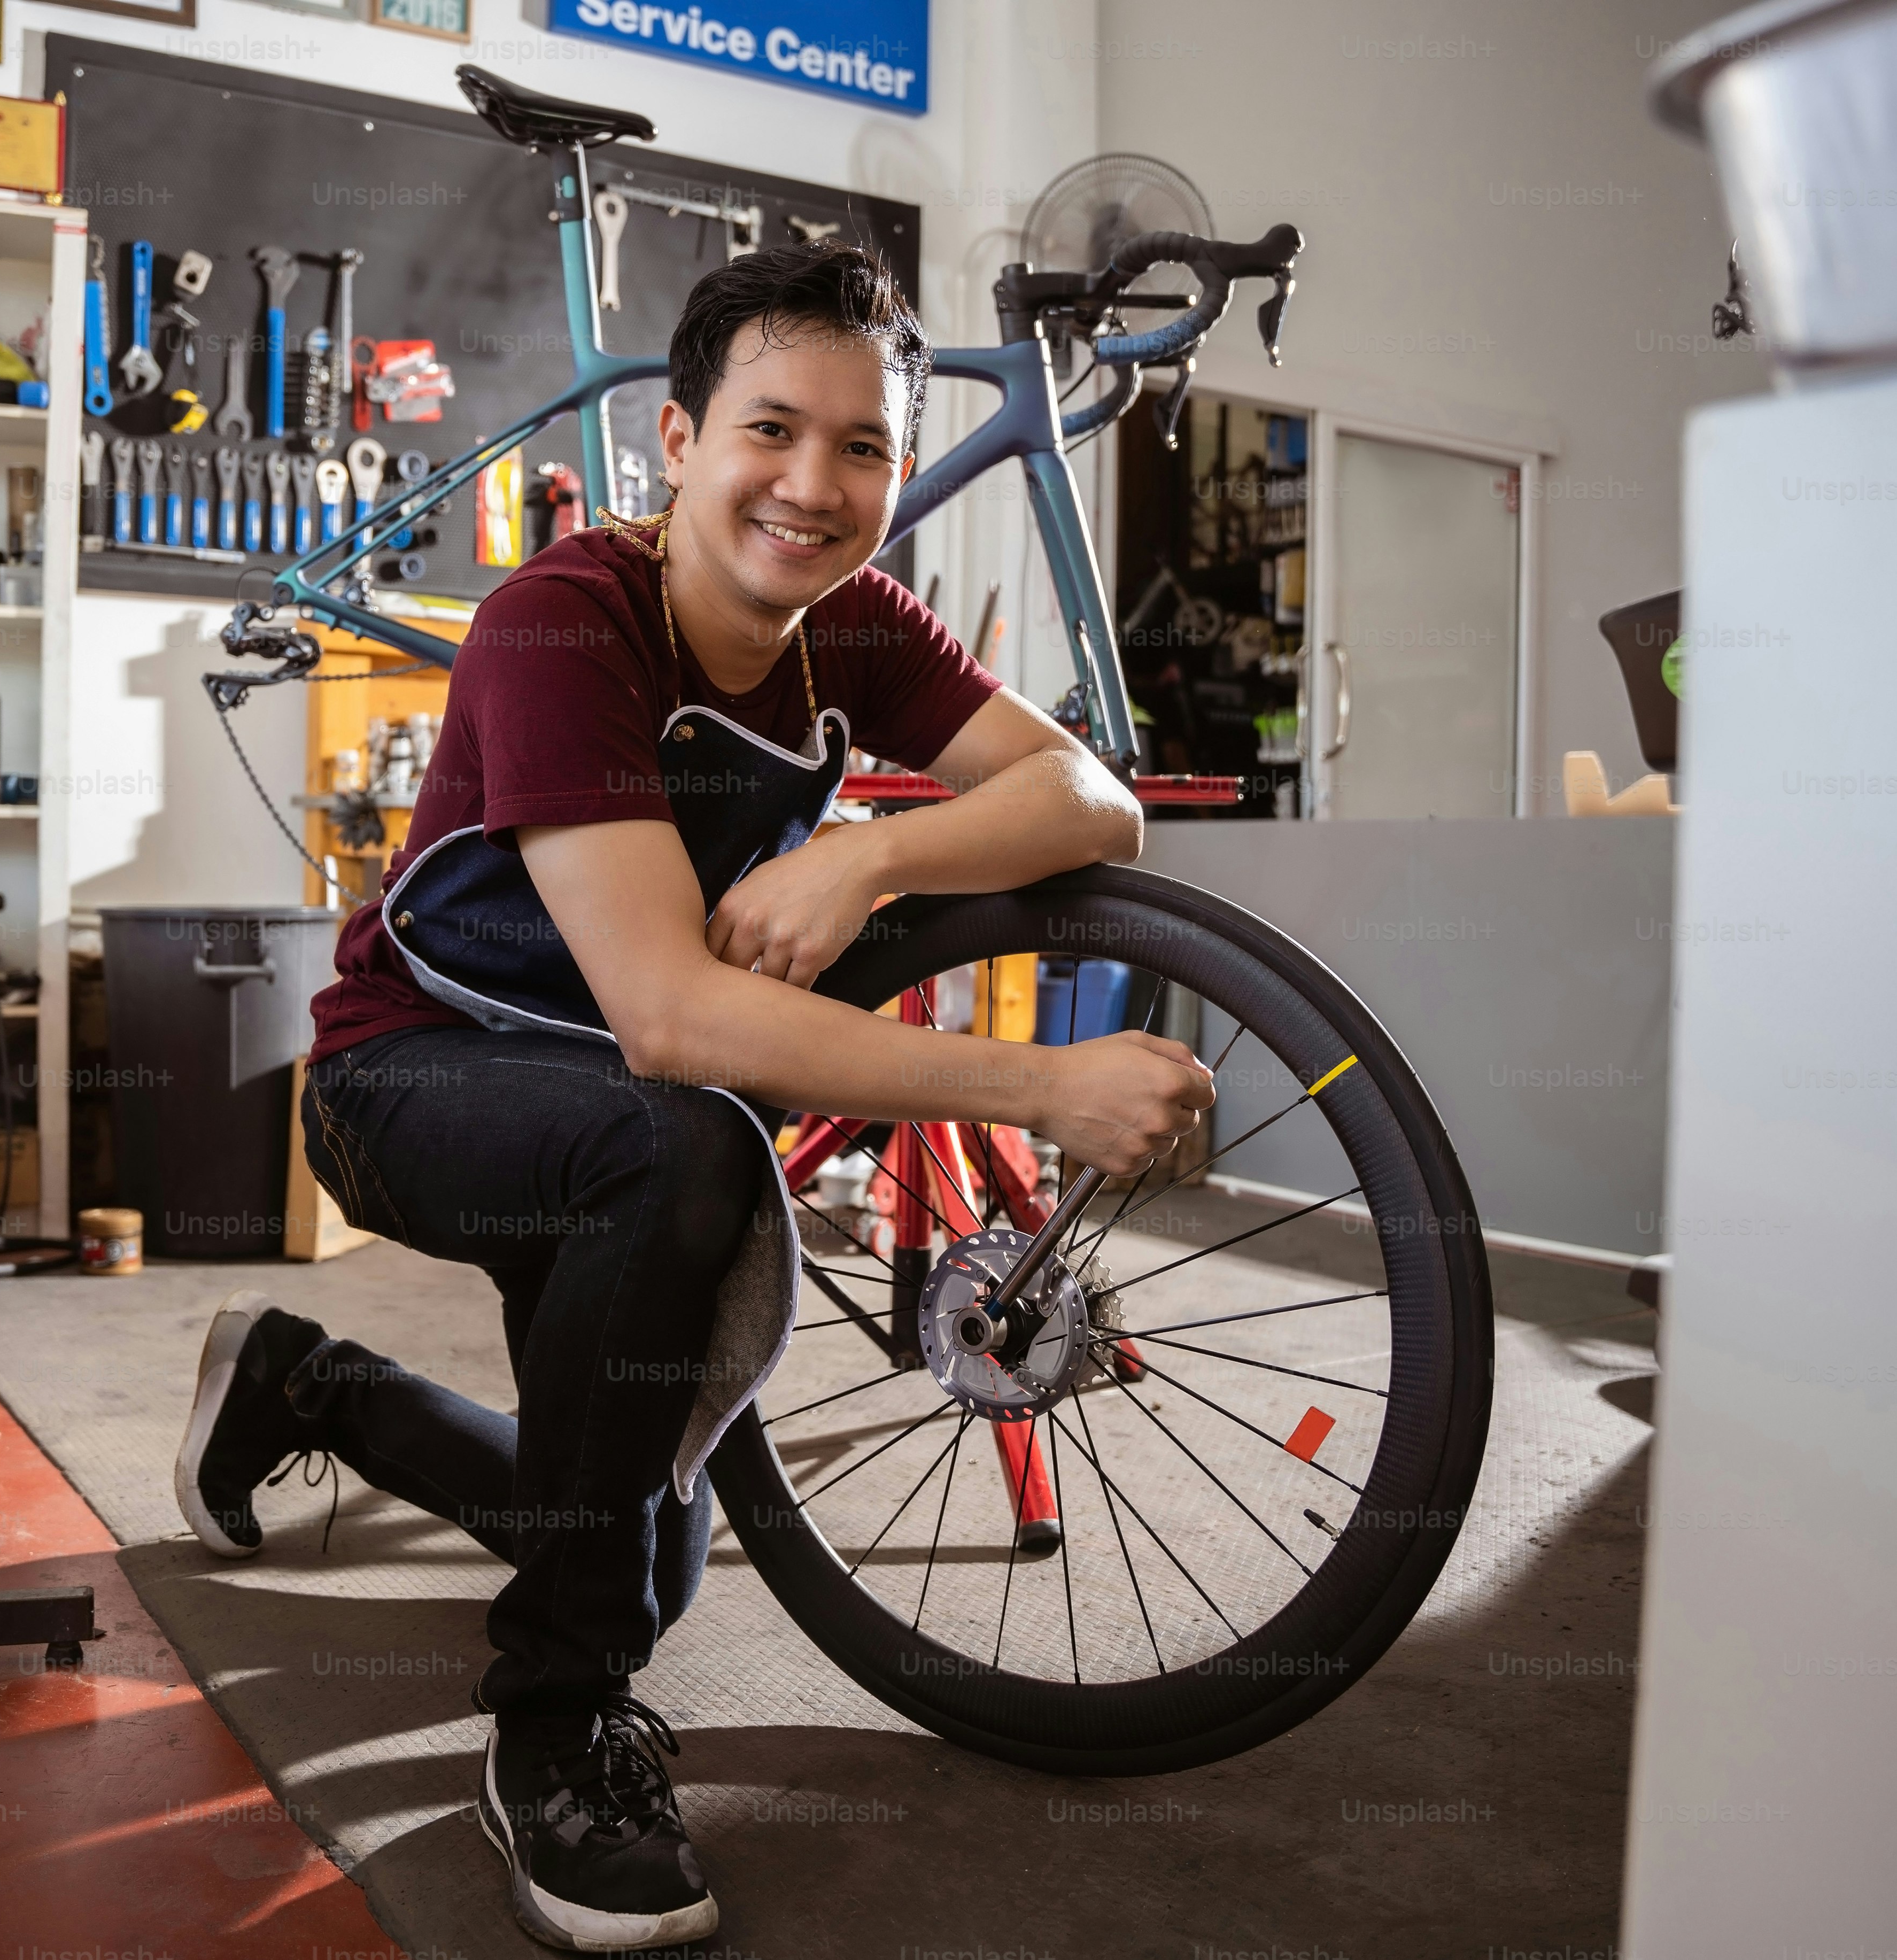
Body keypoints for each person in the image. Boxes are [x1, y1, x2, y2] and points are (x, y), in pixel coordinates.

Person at [173, 239, 1215, 1953]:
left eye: (861, 447)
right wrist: (1035, 1084)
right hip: (410, 1072)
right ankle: (550, 1723)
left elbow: (1092, 800)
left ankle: (310, 1385)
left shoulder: (852, 628)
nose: (812, 486)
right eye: (770, 430)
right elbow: (668, 1015)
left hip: (604, 1102)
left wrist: (877, 856)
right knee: (681, 1158)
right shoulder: (556, 620)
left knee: (634, 1541)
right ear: (675, 440)